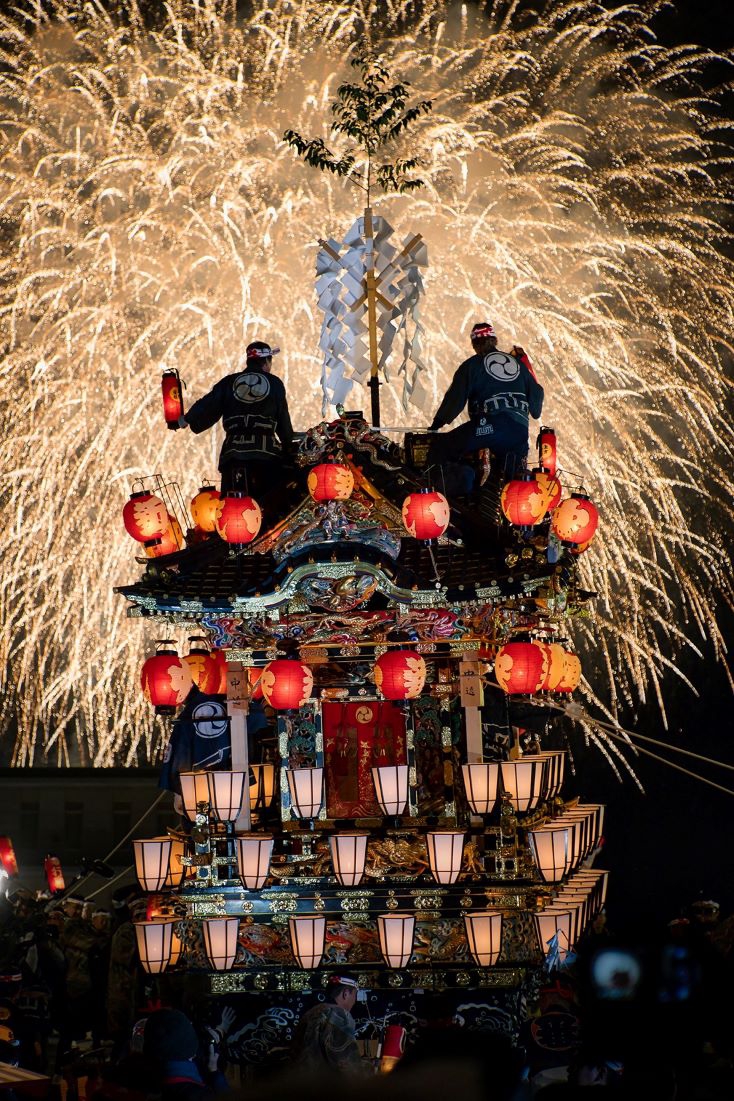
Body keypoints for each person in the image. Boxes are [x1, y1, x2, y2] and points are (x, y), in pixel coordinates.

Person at [428, 322, 543, 481]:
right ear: (494, 340)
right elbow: (536, 406)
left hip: (491, 426)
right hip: (519, 433)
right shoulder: (519, 365)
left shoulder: (472, 365)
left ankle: (442, 490)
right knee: (513, 480)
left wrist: (437, 424)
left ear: (474, 344)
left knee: (442, 448)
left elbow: (455, 398)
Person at [177, 340, 294, 495]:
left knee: (233, 505)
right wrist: (288, 446)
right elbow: (283, 421)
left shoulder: (229, 382)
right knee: (270, 505)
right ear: (266, 361)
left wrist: (186, 420)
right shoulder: (275, 383)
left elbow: (207, 404)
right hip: (266, 455)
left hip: (233, 454)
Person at [290, 974, 369, 1076]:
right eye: (355, 994)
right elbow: (346, 1064)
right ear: (346, 994)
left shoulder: (311, 1012)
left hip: (302, 1083)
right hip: (326, 1086)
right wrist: (370, 1067)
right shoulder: (340, 1015)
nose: (354, 1001)